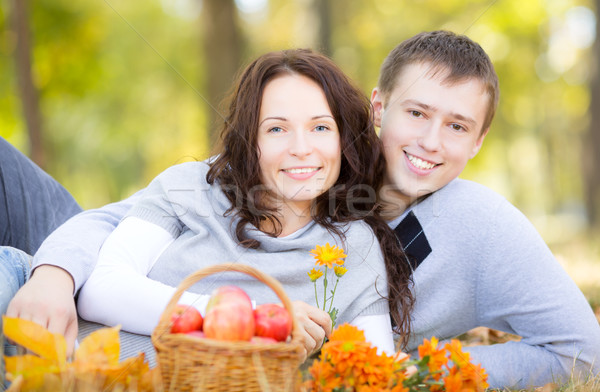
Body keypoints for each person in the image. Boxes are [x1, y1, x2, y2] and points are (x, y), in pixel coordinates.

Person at [3, 48, 413, 365]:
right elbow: (101, 289)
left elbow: (373, 367)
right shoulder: (192, 189)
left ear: (343, 139)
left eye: (320, 127)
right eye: (276, 129)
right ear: (249, 141)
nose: (301, 148)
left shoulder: (353, 246)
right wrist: (251, 320)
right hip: (53, 347)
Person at [370, 30, 600, 388]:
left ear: (478, 141)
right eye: (417, 112)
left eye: (457, 126)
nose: (431, 142)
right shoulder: (315, 168)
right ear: (379, 108)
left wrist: (423, 370)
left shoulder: (480, 223)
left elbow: (582, 353)